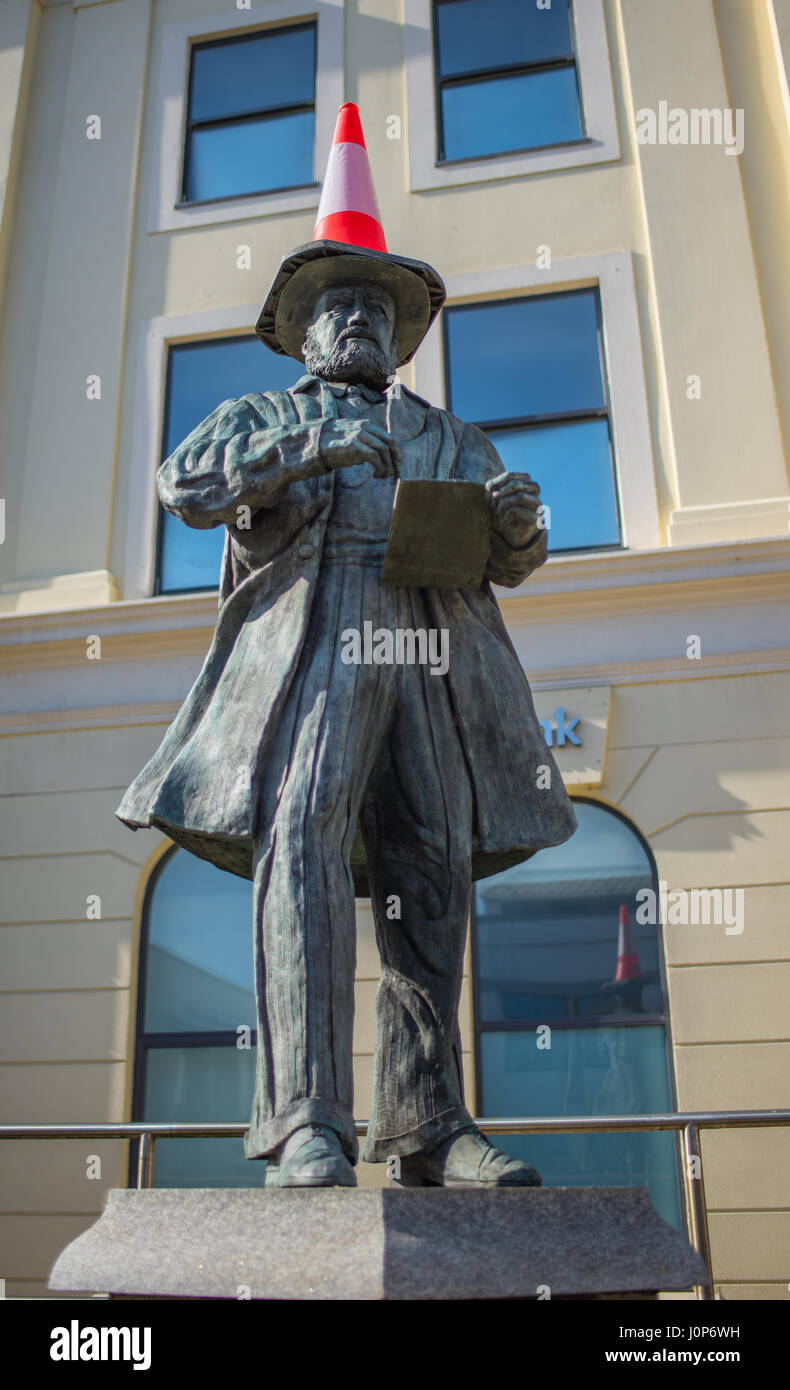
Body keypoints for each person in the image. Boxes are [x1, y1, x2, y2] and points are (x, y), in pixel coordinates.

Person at [118, 106, 577, 1188]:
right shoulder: (258, 416)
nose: (360, 318)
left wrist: (512, 521)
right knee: (305, 847)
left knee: (430, 868)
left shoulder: (451, 435)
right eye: (339, 307)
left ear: (401, 333)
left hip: (430, 651)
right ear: (304, 333)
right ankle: (302, 1122)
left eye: (376, 305)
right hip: (311, 647)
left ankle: (426, 1125)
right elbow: (183, 483)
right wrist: (306, 445)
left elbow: (511, 563)